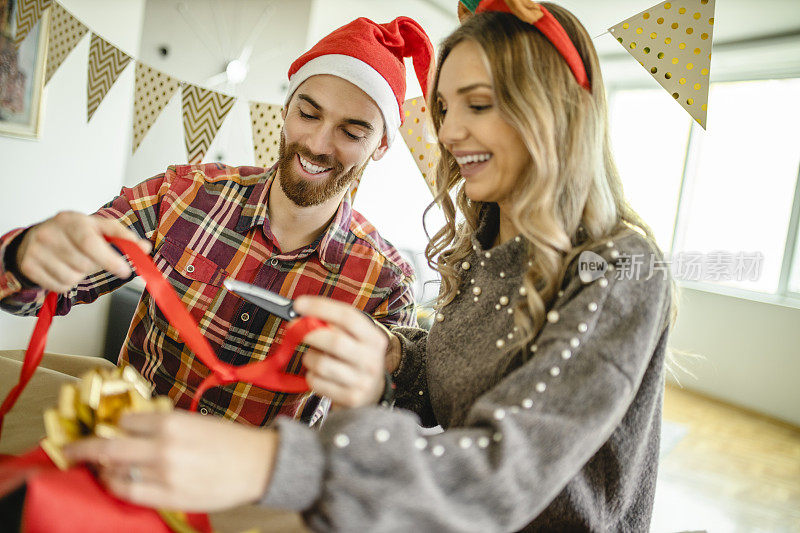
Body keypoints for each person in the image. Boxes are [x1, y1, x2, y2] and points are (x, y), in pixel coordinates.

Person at [64, 1, 678, 530]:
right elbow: (442, 395)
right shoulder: (481, 251)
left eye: (480, 104)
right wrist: (391, 356)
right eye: (443, 109)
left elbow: (501, 470)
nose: (451, 131)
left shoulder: (619, 270)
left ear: (553, 112)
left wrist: (269, 461)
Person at [0, 16, 434, 427]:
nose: (319, 144)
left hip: (249, 499)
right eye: (308, 113)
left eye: (352, 132)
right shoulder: (182, 194)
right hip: (122, 452)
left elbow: (374, 438)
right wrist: (26, 258)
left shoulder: (385, 283)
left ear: (379, 147)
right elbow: (41, 292)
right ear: (285, 111)